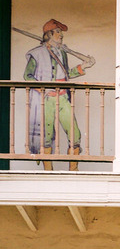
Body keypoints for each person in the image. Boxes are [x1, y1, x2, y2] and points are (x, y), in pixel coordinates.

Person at [24, 19, 94, 170]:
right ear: (49, 34)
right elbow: (27, 76)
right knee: (46, 137)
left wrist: (83, 66)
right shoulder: (36, 53)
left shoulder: (62, 52)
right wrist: (43, 89)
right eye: (58, 32)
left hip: (63, 98)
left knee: (75, 134)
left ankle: (73, 170)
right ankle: (48, 171)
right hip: (47, 99)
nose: (61, 35)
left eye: (61, 32)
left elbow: (66, 73)